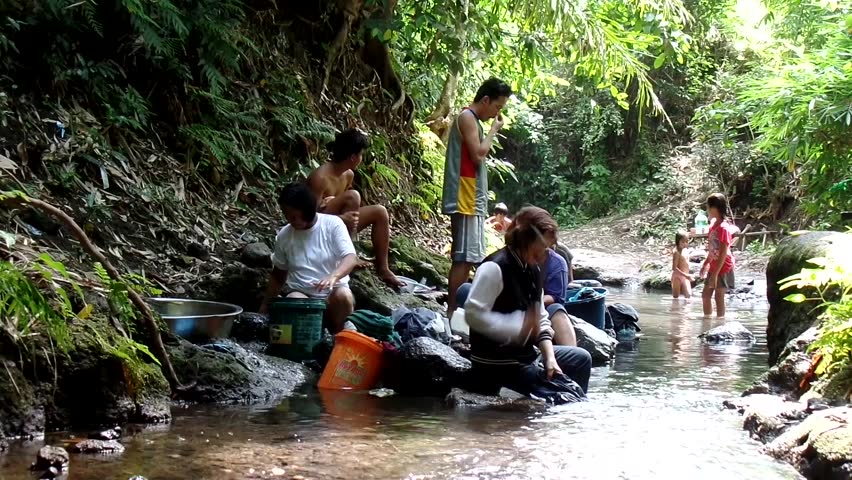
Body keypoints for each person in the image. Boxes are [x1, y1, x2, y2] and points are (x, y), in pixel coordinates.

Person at [456, 206, 592, 396]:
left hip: (526, 357)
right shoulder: (494, 267)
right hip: (499, 363)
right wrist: (518, 327)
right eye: (544, 247)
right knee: (566, 396)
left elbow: (541, 319)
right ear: (528, 238)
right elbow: (473, 315)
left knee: (581, 359)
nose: (546, 254)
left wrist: (550, 358)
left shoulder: (533, 270)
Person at [443, 77, 512, 318]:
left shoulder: (472, 120)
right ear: (485, 99)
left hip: (471, 195)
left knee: (468, 257)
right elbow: (478, 155)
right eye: (497, 106)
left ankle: (457, 310)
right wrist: (494, 130)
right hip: (465, 194)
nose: (497, 112)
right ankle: (453, 311)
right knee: (463, 258)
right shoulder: (467, 118)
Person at [307, 129, 404, 288]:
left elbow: (347, 208)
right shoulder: (320, 178)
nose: (361, 159)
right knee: (353, 195)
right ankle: (349, 254)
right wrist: (340, 218)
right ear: (353, 157)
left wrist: (337, 204)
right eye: (361, 155)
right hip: (320, 232)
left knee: (380, 211)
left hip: (339, 226)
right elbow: (308, 217)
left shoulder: (348, 175)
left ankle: (383, 269)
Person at [259, 183, 357, 333]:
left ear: (306, 210)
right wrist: (265, 306)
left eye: (293, 216)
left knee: (344, 295)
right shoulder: (284, 236)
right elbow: (278, 275)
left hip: (333, 297)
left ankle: (338, 334)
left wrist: (334, 276)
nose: (290, 220)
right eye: (287, 216)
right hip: (303, 298)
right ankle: (307, 339)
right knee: (293, 299)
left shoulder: (333, 224)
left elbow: (350, 257)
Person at [700, 193, 736, 317]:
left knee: (718, 296)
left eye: (709, 207)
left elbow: (723, 252)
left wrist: (715, 274)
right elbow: (712, 249)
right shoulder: (712, 227)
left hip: (723, 266)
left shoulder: (724, 228)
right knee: (705, 295)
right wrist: (706, 263)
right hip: (714, 265)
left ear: (716, 208)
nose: (707, 210)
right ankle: (707, 320)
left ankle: (720, 322)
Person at [543, 245, 578, 346]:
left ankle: (571, 352)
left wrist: (535, 301)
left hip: (540, 307)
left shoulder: (557, 259)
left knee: (556, 309)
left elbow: (557, 296)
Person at [672, 230, 693, 299]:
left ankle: (685, 309)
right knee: (676, 297)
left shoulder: (685, 250)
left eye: (686, 242)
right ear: (678, 241)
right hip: (677, 277)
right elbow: (674, 268)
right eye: (683, 242)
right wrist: (686, 275)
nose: (685, 244)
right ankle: (676, 309)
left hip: (685, 277)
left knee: (688, 296)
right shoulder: (676, 252)